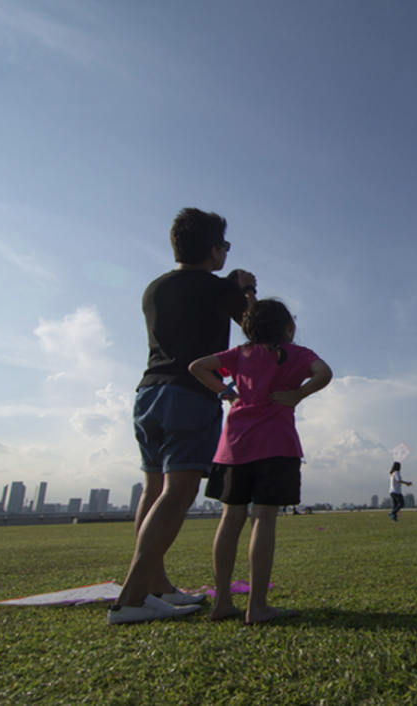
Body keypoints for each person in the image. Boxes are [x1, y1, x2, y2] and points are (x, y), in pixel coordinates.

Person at [110, 207, 257, 625]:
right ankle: (132, 597)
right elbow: (255, 330)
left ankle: (158, 587)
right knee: (177, 493)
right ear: (213, 251)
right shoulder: (217, 288)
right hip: (190, 394)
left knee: (153, 490)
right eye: (225, 246)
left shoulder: (153, 288)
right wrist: (245, 290)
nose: (226, 252)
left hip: (148, 392)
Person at [189, 298, 332, 624]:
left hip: (234, 448)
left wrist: (225, 392)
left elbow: (197, 367)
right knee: (263, 520)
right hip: (276, 447)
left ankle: (223, 601)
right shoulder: (298, 354)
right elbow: (324, 373)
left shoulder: (239, 355)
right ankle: (257, 606)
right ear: (288, 328)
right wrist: (299, 394)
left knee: (230, 520)